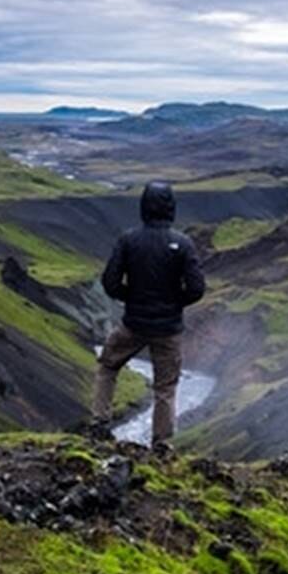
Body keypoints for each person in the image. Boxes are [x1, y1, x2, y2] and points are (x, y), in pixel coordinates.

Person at [89, 180, 206, 450]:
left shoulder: (129, 240)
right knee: (165, 387)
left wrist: (131, 297)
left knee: (108, 366)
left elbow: (110, 282)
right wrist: (174, 302)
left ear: (143, 206)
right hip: (168, 329)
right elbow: (197, 288)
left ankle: (99, 424)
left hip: (133, 324)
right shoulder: (183, 243)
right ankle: (162, 443)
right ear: (171, 208)